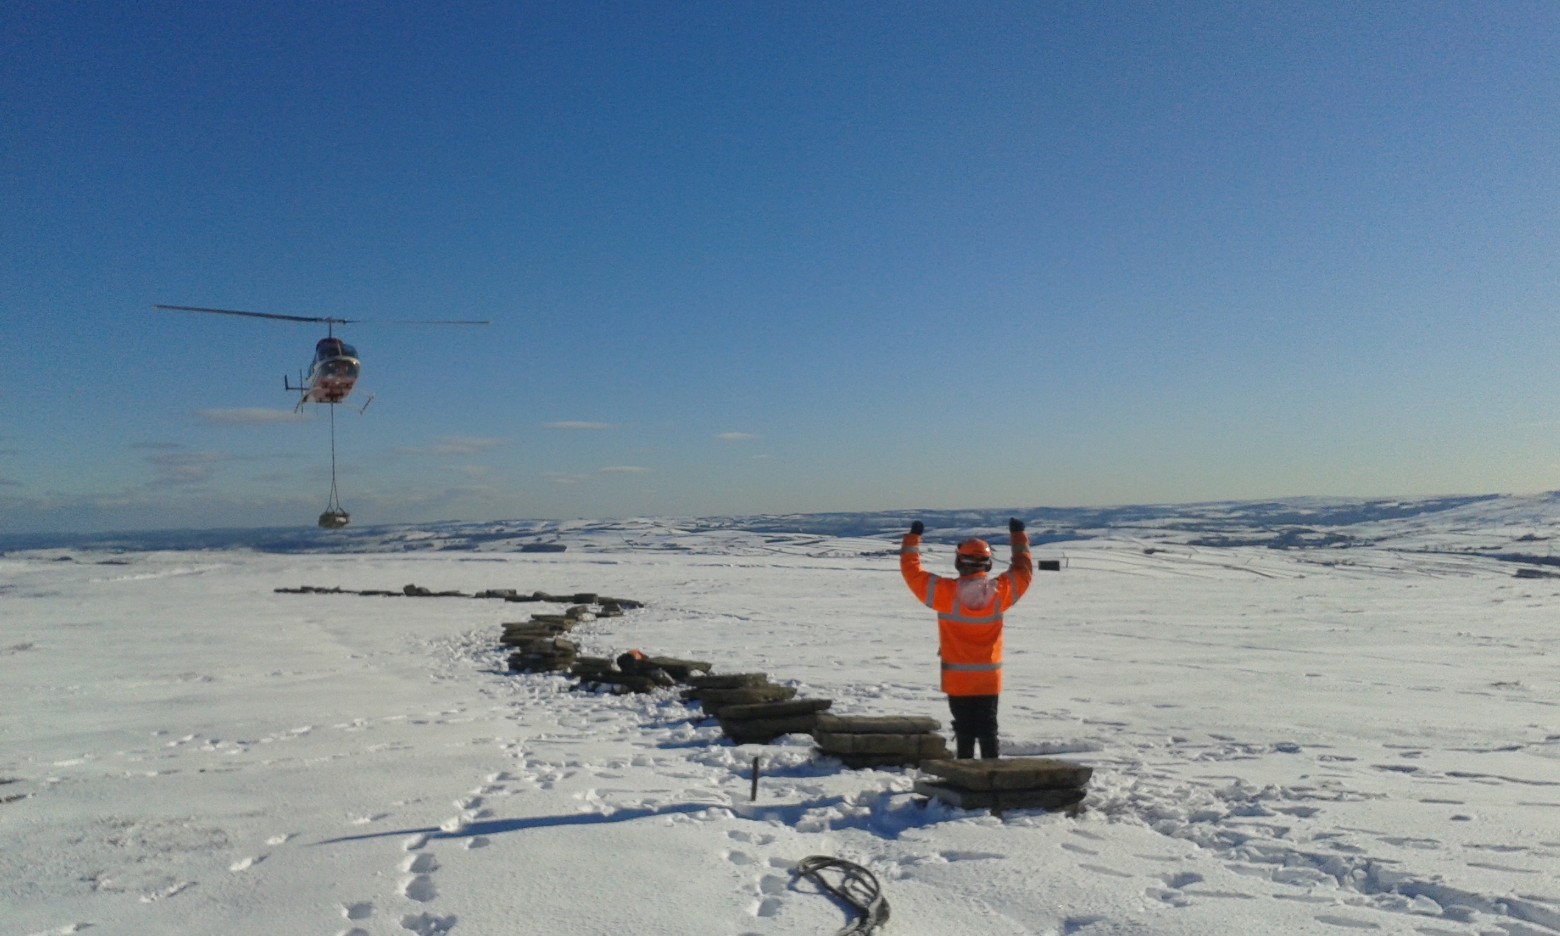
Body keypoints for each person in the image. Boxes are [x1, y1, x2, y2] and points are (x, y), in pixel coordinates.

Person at [899, 517, 1033, 759]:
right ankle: (992, 778)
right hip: (988, 679)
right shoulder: (1001, 593)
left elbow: (911, 571)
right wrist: (1018, 535)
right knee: (988, 728)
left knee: (964, 730)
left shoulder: (944, 594)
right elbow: (1023, 570)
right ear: (988, 564)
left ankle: (965, 777)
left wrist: (913, 538)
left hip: (957, 679)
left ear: (959, 562)